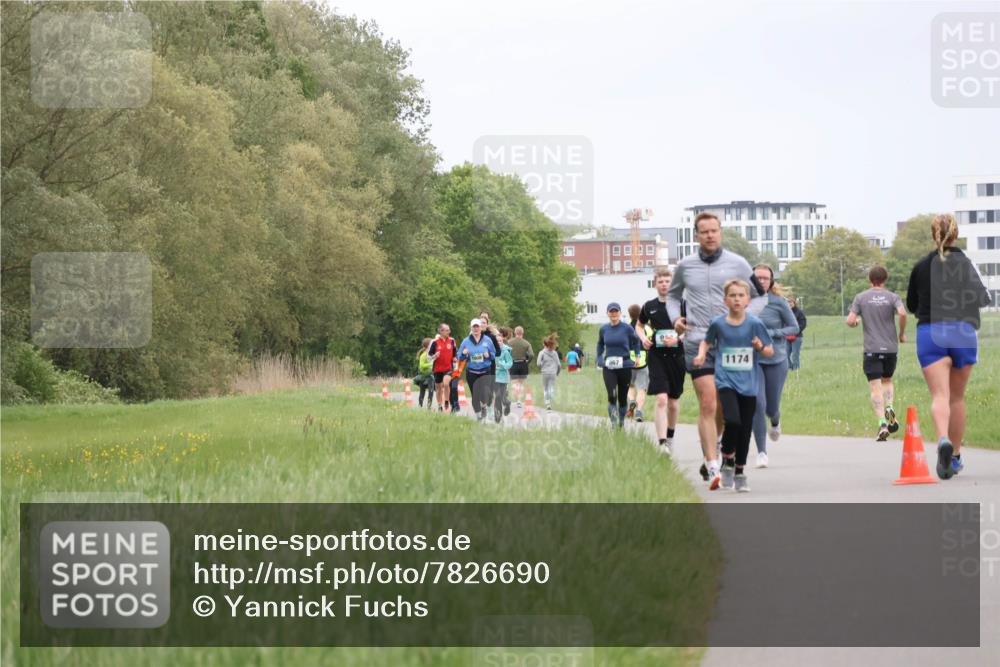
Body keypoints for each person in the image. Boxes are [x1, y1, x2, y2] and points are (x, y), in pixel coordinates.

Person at [667, 212, 761, 488]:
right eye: (704, 231)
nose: (710, 235)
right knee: (708, 401)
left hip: (731, 346)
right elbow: (672, 296)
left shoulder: (738, 263)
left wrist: (745, 321)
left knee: (723, 405)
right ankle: (713, 465)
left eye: (714, 231)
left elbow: (759, 297)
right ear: (696, 235)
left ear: (720, 232)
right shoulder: (686, 266)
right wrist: (675, 319)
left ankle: (717, 446)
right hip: (698, 342)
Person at [906, 213, 991, 479]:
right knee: (957, 397)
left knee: (940, 396)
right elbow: (983, 298)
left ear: (934, 235)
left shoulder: (921, 266)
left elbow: (911, 305)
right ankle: (954, 456)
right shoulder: (965, 263)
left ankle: (942, 438)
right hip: (963, 332)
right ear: (956, 235)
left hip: (931, 332)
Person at [694, 279, 774, 493]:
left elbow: (769, 351)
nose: (737, 299)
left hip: (748, 384)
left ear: (748, 300)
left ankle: (739, 471)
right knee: (733, 420)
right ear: (725, 300)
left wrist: (759, 346)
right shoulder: (718, 323)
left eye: (741, 295)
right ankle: (727, 458)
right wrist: (702, 354)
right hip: (725, 381)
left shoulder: (755, 324)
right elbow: (706, 341)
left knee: (745, 428)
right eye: (733, 295)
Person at [846, 266, 908, 442]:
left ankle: (882, 423)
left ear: (869, 279)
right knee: (887, 380)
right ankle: (889, 407)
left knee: (875, 386)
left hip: (872, 349)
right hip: (890, 348)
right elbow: (903, 313)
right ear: (885, 279)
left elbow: (850, 320)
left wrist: (857, 323)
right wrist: (901, 333)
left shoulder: (861, 297)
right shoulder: (892, 297)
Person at [747, 264, 799, 467]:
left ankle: (775, 421)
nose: (761, 281)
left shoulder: (778, 302)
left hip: (776, 359)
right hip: (753, 360)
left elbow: (794, 326)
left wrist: (773, 334)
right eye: (757, 278)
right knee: (757, 405)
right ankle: (761, 452)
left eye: (765, 278)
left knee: (771, 407)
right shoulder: (745, 301)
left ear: (771, 282)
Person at [637, 269, 688, 454]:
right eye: (661, 281)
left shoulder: (683, 305)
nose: (664, 284)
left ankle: (671, 436)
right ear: (655, 284)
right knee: (661, 399)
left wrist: (678, 339)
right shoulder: (649, 306)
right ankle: (661, 443)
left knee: (673, 403)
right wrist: (643, 338)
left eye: (668, 281)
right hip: (657, 356)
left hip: (677, 357)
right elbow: (639, 325)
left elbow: (694, 327)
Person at [597, 303, 643, 428]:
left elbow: (636, 342)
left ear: (620, 313)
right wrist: (599, 357)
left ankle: (621, 424)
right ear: (607, 313)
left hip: (625, 366)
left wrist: (637, 356)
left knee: (622, 398)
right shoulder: (603, 329)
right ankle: (613, 425)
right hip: (609, 367)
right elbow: (600, 344)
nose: (613, 314)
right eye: (611, 311)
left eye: (616, 311)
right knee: (612, 396)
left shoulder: (627, 328)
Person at [457, 318, 497, 421]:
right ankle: (479, 416)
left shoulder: (487, 340)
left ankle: (484, 407)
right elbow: (459, 356)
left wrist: (488, 355)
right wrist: (464, 354)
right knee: (475, 396)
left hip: (485, 370)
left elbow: (494, 354)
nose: (475, 329)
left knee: (484, 393)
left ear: (481, 328)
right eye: (473, 327)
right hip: (472, 371)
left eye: (477, 326)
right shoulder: (466, 341)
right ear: (471, 328)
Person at [626, 304, 650, 423]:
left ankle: (631, 401)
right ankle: (639, 411)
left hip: (629, 361)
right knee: (642, 389)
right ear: (641, 313)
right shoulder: (646, 328)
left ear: (629, 314)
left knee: (630, 386)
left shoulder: (626, 328)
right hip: (643, 361)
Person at [427, 323, 457, 413]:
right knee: (438, 388)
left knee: (446, 383)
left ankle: (447, 401)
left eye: (449, 330)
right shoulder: (434, 342)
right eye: (447, 330)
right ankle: (440, 405)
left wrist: (455, 357)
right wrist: (434, 356)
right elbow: (428, 357)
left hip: (448, 368)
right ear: (441, 331)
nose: (449, 332)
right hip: (437, 369)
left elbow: (455, 352)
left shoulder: (452, 341)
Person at [508, 326, 534, 408]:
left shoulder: (509, 342)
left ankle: (518, 399)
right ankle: (519, 400)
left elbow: (505, 352)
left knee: (515, 383)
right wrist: (527, 362)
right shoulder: (526, 343)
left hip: (513, 364)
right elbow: (531, 355)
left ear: (515, 333)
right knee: (521, 383)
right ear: (522, 333)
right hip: (523, 364)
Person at [493, 327, 514, 422]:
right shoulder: (492, 351)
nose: (499, 343)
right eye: (497, 341)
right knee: (497, 396)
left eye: (500, 341)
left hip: (504, 378)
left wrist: (502, 365)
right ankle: (498, 415)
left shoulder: (505, 352)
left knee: (502, 397)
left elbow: (510, 363)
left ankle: (507, 403)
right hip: (495, 377)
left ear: (503, 341)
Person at [536, 333, 561, 412]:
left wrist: (542, 366)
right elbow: (559, 365)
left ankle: (548, 405)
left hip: (544, 373)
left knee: (545, 388)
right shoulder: (555, 353)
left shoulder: (541, 353)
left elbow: (538, 364)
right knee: (551, 387)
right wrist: (557, 373)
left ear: (544, 344)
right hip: (553, 373)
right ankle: (551, 396)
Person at [787, 297, 807, 370]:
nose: (789, 304)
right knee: (785, 354)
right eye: (788, 302)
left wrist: (797, 330)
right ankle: (791, 367)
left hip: (797, 337)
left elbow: (803, 323)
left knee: (795, 354)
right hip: (787, 336)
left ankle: (796, 369)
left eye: (791, 302)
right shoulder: (786, 312)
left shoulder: (799, 312)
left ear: (794, 303)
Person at [415, 337, 435, 409]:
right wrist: (431, 364)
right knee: (422, 392)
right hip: (423, 376)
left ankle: (429, 408)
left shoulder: (432, 354)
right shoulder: (423, 355)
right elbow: (421, 366)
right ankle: (420, 407)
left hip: (430, 376)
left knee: (431, 392)